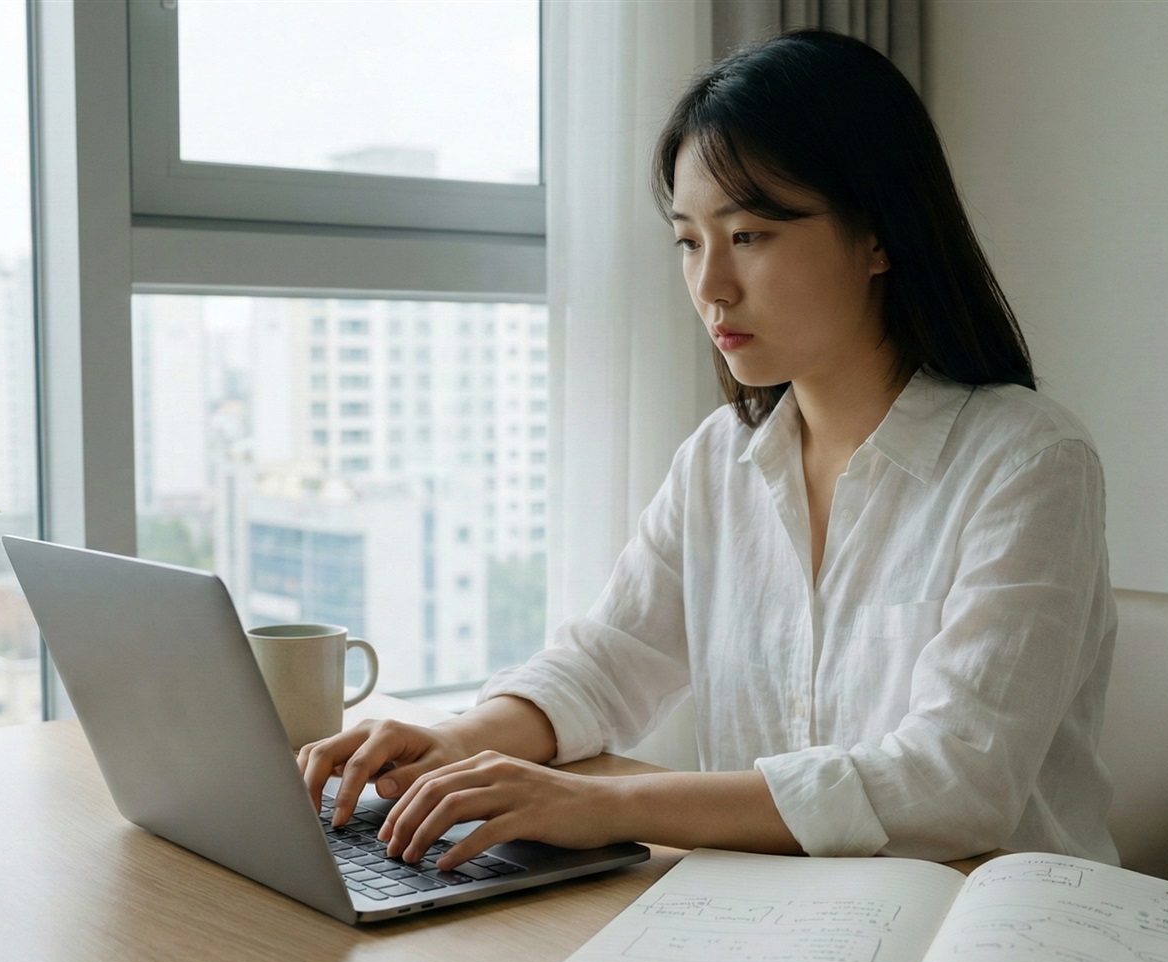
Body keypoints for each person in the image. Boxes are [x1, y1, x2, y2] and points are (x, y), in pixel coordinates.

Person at [298, 28, 1121, 873]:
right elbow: (610, 659)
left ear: (879, 236)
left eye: (750, 235)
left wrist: (599, 804)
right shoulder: (722, 458)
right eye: (690, 240)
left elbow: (957, 784)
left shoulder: (1027, 460)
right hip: (780, 928)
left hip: (984, 951)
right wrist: (453, 741)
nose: (710, 285)